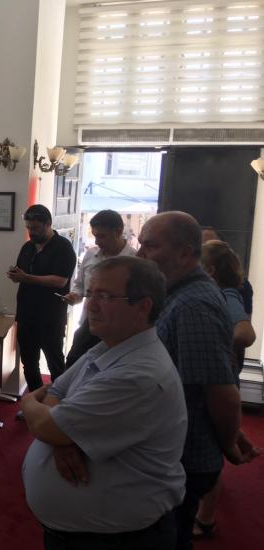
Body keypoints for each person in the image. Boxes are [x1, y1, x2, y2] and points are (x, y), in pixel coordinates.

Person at [22, 256, 187, 549]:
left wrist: (28, 403)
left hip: (116, 540)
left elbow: (45, 422)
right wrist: (61, 439)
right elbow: (55, 392)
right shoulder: (108, 347)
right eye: (90, 294)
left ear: (143, 307)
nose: (90, 306)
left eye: (106, 296)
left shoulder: (139, 375)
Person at [137, 211, 261, 550]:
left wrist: (228, 442)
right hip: (174, 448)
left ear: (185, 253)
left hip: (184, 455)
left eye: (150, 246)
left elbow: (220, 391)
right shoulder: (179, 293)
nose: (140, 253)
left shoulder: (194, 304)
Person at [192, 239, 257, 538]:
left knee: (212, 449)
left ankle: (205, 520)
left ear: (210, 269)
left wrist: (215, 342)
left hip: (221, 380)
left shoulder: (227, 294)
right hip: (221, 378)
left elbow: (245, 333)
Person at [8, 204, 76, 419]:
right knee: (29, 363)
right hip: (26, 313)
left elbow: (60, 281)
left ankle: (60, 407)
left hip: (51, 315)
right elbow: (21, 272)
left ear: (48, 224)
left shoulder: (63, 247)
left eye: (35, 228)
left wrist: (27, 277)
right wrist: (16, 274)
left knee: (55, 363)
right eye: (28, 227)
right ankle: (36, 404)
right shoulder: (27, 247)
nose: (31, 232)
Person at [63, 209, 137, 367]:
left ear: (118, 232)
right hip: (88, 324)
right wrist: (75, 296)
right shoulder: (91, 254)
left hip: (118, 329)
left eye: (101, 236)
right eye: (95, 236)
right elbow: (80, 285)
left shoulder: (134, 261)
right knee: (73, 364)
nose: (97, 242)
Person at [201, 225, 254, 315]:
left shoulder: (239, 288)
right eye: (202, 245)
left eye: (211, 245)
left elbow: (244, 320)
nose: (205, 249)